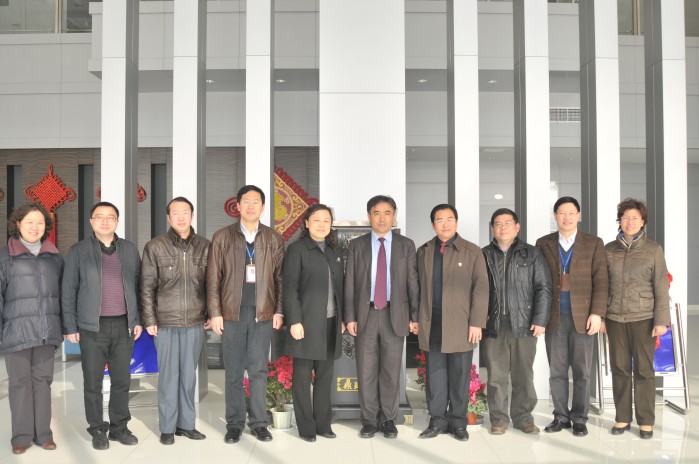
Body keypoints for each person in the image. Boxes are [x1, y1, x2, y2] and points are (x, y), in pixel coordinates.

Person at [207, 185, 285, 444]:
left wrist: (279, 310)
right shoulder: (222, 237)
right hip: (232, 314)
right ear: (238, 206)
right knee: (233, 371)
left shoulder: (273, 238)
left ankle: (260, 423)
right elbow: (213, 278)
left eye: (256, 202)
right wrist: (215, 312)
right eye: (246, 202)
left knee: (258, 370)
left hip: (263, 313)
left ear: (263, 207)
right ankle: (234, 423)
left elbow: (281, 279)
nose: (251, 206)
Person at [62, 201, 143, 450]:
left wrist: (137, 319)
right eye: (99, 217)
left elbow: (139, 287)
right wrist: (70, 326)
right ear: (91, 221)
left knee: (122, 380)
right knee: (93, 382)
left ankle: (119, 427)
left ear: (117, 221)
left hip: (124, 326)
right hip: (91, 328)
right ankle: (97, 428)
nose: (105, 221)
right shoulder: (78, 251)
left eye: (110, 217)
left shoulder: (129, 249)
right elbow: (68, 290)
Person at [344, 195, 419, 439]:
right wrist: (350, 316)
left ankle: (388, 419)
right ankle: (368, 420)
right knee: (365, 370)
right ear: (369, 216)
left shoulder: (406, 245)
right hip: (365, 314)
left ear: (394, 216)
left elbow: (412, 282)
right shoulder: (357, 245)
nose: (382, 218)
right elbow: (349, 283)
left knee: (390, 370)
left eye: (387, 213)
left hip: (395, 314)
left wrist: (414, 315)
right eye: (377, 213)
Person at [140, 196, 210, 445]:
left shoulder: (205, 246)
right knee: (169, 376)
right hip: (165, 322)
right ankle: (168, 427)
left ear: (192, 215)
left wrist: (211, 314)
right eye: (175, 213)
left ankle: (187, 425)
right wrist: (149, 318)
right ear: (168, 217)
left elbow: (212, 284)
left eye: (185, 212)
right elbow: (146, 286)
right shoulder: (155, 246)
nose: (181, 217)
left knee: (189, 377)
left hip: (195, 321)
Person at [535, 196, 608, 437]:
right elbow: (539, 282)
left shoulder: (593, 243)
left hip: (583, 318)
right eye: (562, 213)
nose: (566, 217)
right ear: (555, 216)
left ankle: (579, 418)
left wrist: (597, 313)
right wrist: (539, 317)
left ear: (578, 215)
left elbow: (601, 281)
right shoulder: (543, 243)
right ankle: (560, 417)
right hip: (554, 317)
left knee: (581, 371)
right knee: (556, 371)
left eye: (571, 213)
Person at [416, 204, 489, 442]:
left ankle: (458, 423)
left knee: (459, 377)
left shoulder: (472, 251)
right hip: (432, 324)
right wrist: (415, 318)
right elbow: (415, 288)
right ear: (433, 225)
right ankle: (437, 421)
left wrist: (476, 322)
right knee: (435, 379)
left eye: (449, 219)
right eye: (440, 220)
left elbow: (481, 289)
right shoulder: (424, 251)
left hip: (461, 326)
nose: (445, 224)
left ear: (456, 223)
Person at [481, 208, 552, 435]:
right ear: (492, 228)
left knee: (524, 374)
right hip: (493, 324)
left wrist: (540, 319)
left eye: (507, 223)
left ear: (517, 227)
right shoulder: (483, 255)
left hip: (524, 323)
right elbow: (476, 291)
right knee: (496, 376)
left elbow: (543, 288)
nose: (503, 227)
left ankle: (523, 418)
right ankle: (499, 420)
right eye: (498, 224)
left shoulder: (532, 254)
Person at [604, 198, 670, 439]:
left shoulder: (653, 249)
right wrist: (601, 316)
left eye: (635, 218)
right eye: (625, 218)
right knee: (619, 369)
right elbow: (602, 286)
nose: (629, 222)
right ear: (619, 221)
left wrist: (661, 321)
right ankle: (622, 417)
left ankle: (646, 421)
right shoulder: (608, 250)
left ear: (643, 222)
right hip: (615, 318)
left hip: (644, 318)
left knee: (644, 370)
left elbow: (661, 287)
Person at [0, 203, 63, 455]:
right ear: (18, 224)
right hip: (16, 331)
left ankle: (44, 434)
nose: (35, 227)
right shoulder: (5, 256)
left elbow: (62, 295)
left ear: (46, 226)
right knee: (19, 383)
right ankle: (22, 436)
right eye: (29, 222)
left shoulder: (54, 257)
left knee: (43, 382)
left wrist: (64, 327)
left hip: (47, 332)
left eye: (40, 222)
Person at [282, 204, 345, 442]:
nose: (321, 224)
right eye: (316, 219)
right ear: (306, 223)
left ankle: (323, 424)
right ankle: (306, 427)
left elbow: (341, 287)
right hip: (306, 324)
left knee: (325, 377)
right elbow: (290, 288)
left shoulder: (334, 251)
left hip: (331, 323)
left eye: (326, 220)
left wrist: (342, 318)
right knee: (302, 378)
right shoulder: (296, 250)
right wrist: (294, 321)